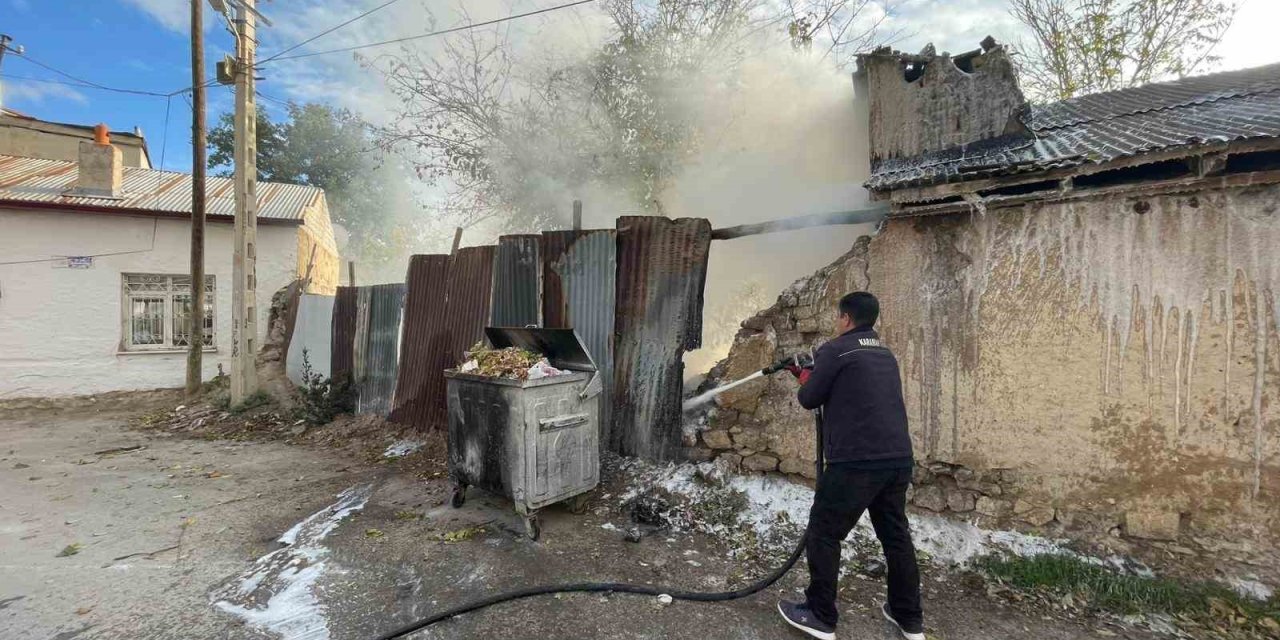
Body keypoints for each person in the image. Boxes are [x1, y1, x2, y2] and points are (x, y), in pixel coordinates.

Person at [776, 291, 924, 640]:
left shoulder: (836, 349)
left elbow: (809, 398)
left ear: (845, 318)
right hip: (897, 460)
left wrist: (804, 375)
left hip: (856, 462)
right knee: (895, 537)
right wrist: (813, 375)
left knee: (824, 532)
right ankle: (908, 617)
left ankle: (820, 615)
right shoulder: (885, 354)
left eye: (838, 317)